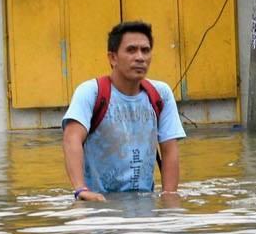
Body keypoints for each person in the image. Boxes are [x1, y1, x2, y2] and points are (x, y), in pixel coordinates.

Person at [61, 20, 185, 201]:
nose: (140, 57)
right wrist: (81, 190)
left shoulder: (160, 94)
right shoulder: (91, 92)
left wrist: (170, 198)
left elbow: (169, 149)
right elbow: (71, 138)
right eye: (131, 50)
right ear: (113, 58)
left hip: (145, 204)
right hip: (98, 203)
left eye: (145, 50)